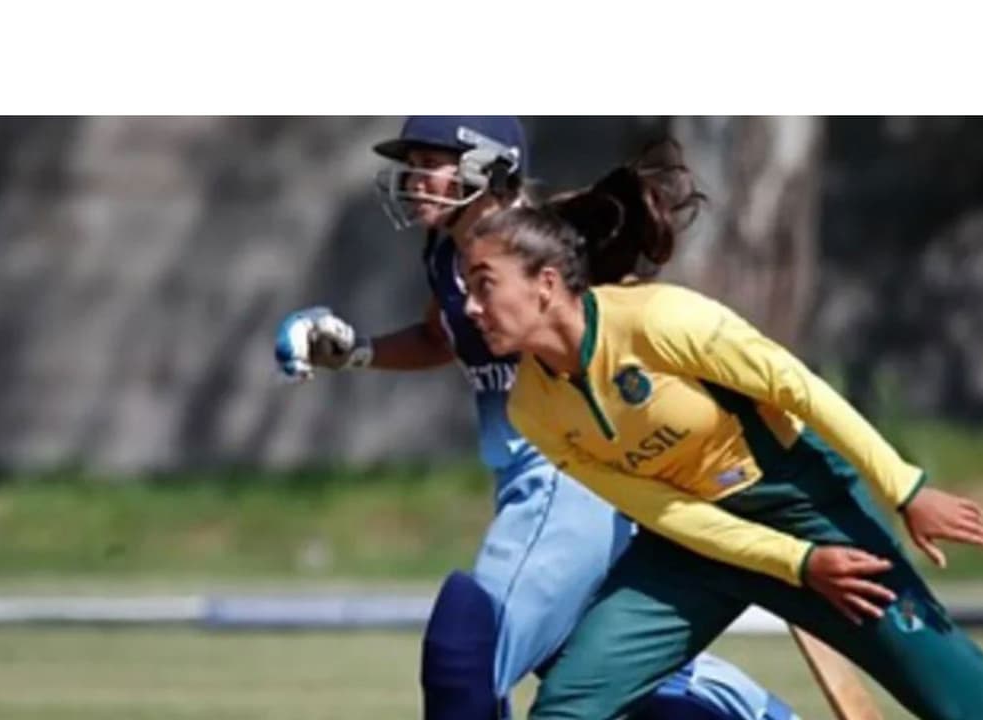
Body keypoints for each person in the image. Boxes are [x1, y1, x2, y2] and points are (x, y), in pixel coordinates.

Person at [456, 140, 983, 720]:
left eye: (484, 285)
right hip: (692, 547)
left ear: (547, 284)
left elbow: (799, 389)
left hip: (805, 505)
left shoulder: (662, 320)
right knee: (570, 704)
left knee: (959, 697)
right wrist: (798, 564)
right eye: (466, 290)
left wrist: (904, 490)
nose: (470, 308)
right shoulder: (532, 410)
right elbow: (666, 511)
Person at [275, 117, 799, 720]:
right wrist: (359, 351)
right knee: (615, 670)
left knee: (466, 651)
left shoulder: (546, 247)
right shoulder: (450, 251)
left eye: (431, 161)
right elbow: (438, 334)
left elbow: (638, 339)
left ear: (486, 164)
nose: (415, 179)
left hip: (564, 474)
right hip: (541, 484)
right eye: (413, 163)